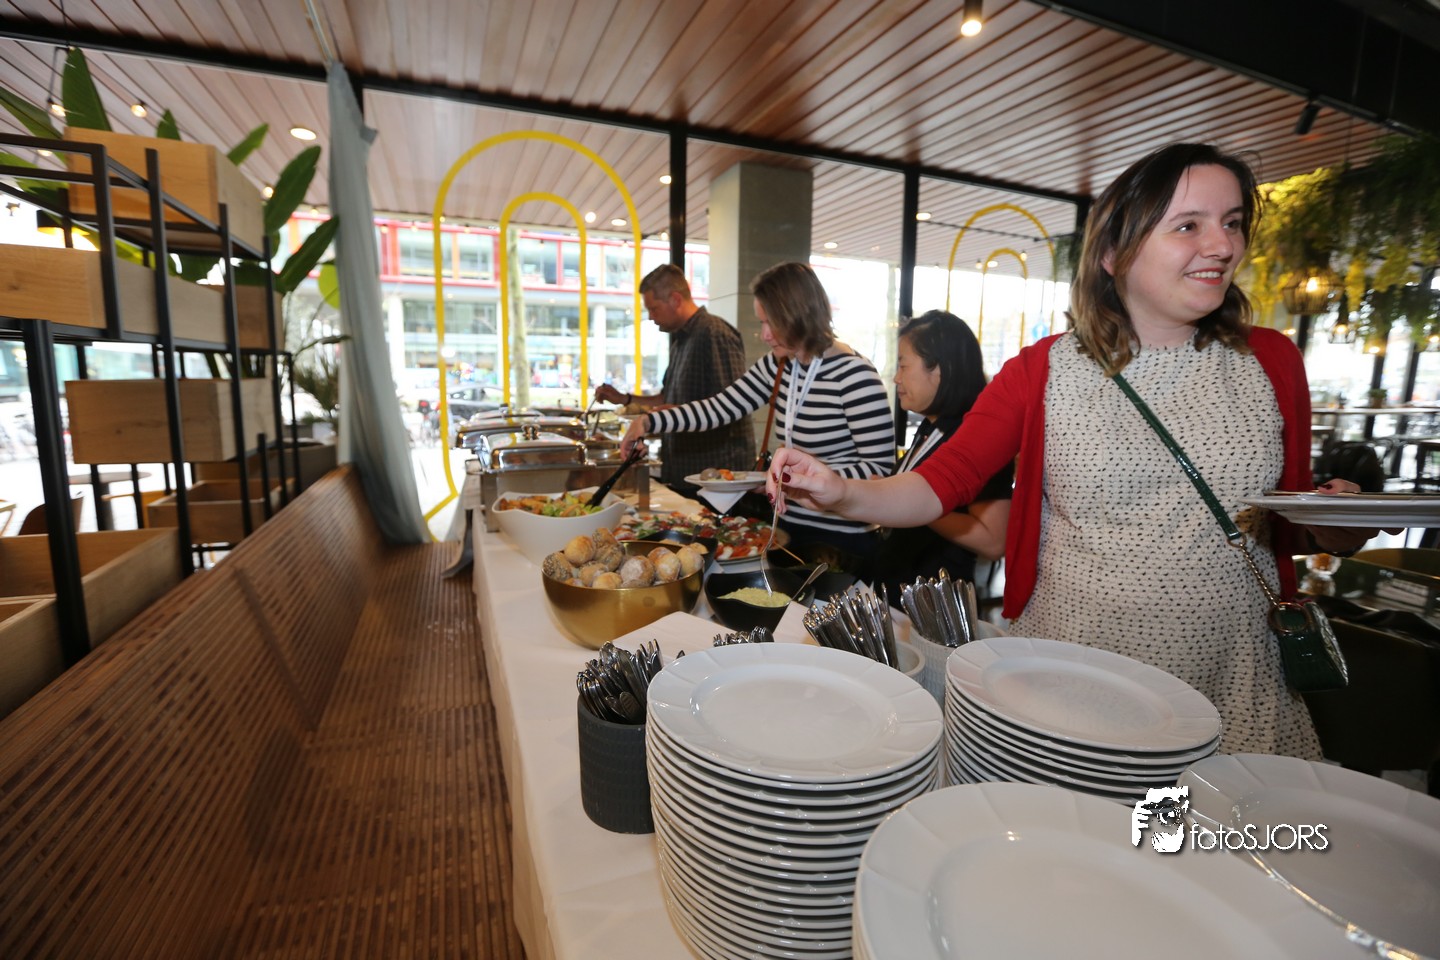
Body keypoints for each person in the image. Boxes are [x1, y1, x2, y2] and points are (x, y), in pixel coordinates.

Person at [768, 143, 1379, 758]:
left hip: (1232, 675)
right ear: (1114, 252)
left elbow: (1288, 520)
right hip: (1077, 672)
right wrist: (841, 491)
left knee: (1207, 820)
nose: (1222, 245)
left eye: (1233, 222)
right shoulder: (1044, 369)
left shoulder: (1270, 361)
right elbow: (939, 483)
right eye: (1188, 226)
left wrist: (1338, 522)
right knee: (1093, 819)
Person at [622, 261, 894, 555]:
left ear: (797, 316)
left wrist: (794, 480)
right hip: (788, 524)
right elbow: (721, 407)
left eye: (770, 322)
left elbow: (880, 470)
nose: (764, 335)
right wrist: (649, 422)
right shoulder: (780, 364)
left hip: (844, 536)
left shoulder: (854, 374)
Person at [868, 310, 1012, 604]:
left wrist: (910, 504)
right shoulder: (932, 424)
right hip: (900, 596)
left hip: (936, 607)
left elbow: (993, 541)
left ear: (940, 370)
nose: (896, 378)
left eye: (903, 366)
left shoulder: (976, 436)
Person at [594, 263, 754, 498]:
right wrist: (625, 399)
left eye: (654, 308)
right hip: (685, 472)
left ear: (675, 299)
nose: (651, 317)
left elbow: (731, 407)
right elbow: (666, 398)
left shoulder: (714, 333)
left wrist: (663, 417)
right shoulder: (680, 340)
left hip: (716, 480)